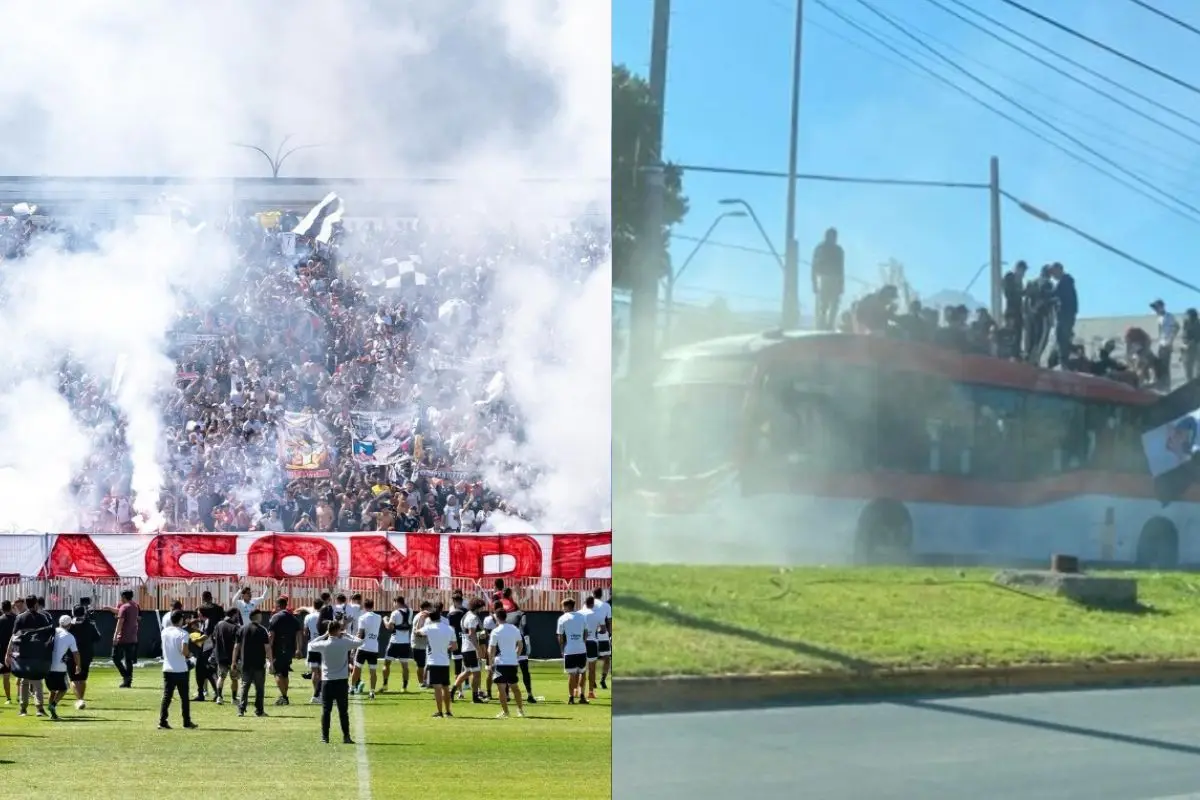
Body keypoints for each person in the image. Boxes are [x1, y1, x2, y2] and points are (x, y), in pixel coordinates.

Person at [306, 620, 362, 744]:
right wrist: (347, 634)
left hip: (327, 682)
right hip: (341, 682)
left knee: (326, 711)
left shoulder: (324, 644)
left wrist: (325, 635)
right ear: (338, 630)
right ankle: (346, 737)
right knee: (343, 711)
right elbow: (360, 642)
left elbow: (310, 644)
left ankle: (325, 737)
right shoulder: (344, 642)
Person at [414, 602, 456, 718]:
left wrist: (421, 618)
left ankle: (440, 712)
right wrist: (444, 648)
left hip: (433, 661)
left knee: (437, 688)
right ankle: (448, 711)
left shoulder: (429, 628)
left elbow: (416, 632)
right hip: (445, 662)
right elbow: (454, 647)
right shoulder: (449, 629)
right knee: (446, 687)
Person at [159, 610, 197, 730]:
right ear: (181, 620)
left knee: (167, 696)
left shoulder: (164, 632)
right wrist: (191, 656)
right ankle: (186, 721)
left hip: (167, 668)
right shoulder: (183, 633)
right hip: (180, 669)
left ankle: (162, 721)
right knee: (184, 697)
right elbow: (184, 651)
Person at [487, 608, 525, 719]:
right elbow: (520, 645)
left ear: (497, 617)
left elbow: (491, 649)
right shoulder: (514, 628)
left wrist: (490, 663)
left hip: (501, 663)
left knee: (501, 689)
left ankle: (506, 712)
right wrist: (515, 656)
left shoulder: (496, 631)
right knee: (515, 687)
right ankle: (520, 710)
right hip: (512, 663)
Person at [232, 607, 270, 717]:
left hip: (245, 663)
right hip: (258, 663)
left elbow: (236, 647)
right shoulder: (262, 630)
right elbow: (267, 648)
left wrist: (234, 661)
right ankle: (259, 710)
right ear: (258, 617)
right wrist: (270, 661)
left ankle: (241, 710)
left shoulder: (242, 629)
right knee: (259, 688)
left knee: (244, 686)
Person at [267, 596, 300, 706]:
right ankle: (284, 696)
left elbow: (271, 635)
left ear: (277, 606)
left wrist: (268, 649)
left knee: (277, 673)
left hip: (278, 649)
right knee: (285, 673)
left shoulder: (275, 617)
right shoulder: (293, 617)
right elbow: (298, 633)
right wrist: (298, 648)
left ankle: (284, 697)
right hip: (289, 649)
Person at [451, 598, 486, 704]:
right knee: (477, 673)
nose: (482, 609)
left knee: (467, 672)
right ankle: (475, 697)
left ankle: (451, 691)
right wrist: (478, 649)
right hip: (470, 649)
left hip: (466, 648)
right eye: (481, 607)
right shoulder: (472, 617)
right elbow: (471, 634)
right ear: (478, 607)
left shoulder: (466, 615)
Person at [556, 597, 590, 705]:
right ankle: (582, 696)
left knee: (571, 674)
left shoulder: (562, 618)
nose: (563, 609)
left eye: (563, 607)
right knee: (582, 673)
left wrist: (562, 649)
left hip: (569, 650)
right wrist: (583, 642)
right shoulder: (582, 617)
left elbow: (560, 637)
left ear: (567, 606)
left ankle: (571, 698)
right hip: (581, 649)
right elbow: (585, 632)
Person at [46, 615, 80, 721]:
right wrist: (78, 665)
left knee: (52, 691)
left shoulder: (51, 632)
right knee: (64, 689)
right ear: (69, 625)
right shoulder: (70, 636)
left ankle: (53, 714)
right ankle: (53, 706)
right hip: (60, 668)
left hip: (47, 667)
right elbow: (76, 653)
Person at [69, 597, 99, 709]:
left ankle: (79, 699)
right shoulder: (90, 624)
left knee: (74, 679)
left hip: (72, 654)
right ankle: (81, 699)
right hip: (87, 654)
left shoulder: (69, 626)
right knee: (82, 678)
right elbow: (97, 637)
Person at [812, 227, 845, 331]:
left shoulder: (838, 250)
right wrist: (814, 282)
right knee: (823, 304)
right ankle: (821, 324)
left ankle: (830, 324)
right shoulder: (820, 248)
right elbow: (814, 266)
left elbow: (841, 268)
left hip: (835, 278)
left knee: (834, 304)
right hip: (823, 278)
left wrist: (841, 284)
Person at [350, 598, 382, 698]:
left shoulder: (362, 618)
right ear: (373, 605)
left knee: (356, 669)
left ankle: (351, 688)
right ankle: (372, 691)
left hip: (363, 647)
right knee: (373, 671)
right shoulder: (379, 617)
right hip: (374, 648)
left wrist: (353, 647)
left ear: (364, 606)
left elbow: (360, 634)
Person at [382, 596, 413, 692]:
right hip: (405, 643)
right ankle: (404, 687)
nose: (393, 605)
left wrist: (385, 620)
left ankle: (385, 685)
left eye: (394, 603)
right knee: (405, 666)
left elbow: (389, 627)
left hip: (395, 642)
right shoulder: (410, 611)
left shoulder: (395, 613)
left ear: (396, 602)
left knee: (386, 664)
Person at [211, 607, 241, 705]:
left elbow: (213, 638)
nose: (237, 617)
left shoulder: (218, 624)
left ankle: (219, 697)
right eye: (236, 615)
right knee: (234, 678)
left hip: (220, 655)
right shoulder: (235, 627)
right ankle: (234, 698)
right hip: (232, 657)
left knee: (221, 676)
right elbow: (238, 643)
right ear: (233, 615)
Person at [111, 589, 140, 689]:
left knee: (115, 657)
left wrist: (115, 636)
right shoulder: (135, 606)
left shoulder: (124, 607)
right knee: (128, 660)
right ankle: (128, 681)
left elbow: (120, 623)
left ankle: (126, 677)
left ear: (123, 597)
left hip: (122, 637)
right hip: (132, 637)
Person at [1151, 299, 1179, 391]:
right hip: (1161, 343)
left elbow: (1176, 327)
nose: (1155, 310)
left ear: (1161, 307)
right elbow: (1160, 331)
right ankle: (1162, 385)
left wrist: (1170, 340)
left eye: (1157, 307)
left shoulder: (1169, 316)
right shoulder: (1158, 318)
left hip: (1167, 343)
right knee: (1160, 365)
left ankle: (1167, 386)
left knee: (1165, 365)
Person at [303, 598, 325, 703]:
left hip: (312, 646)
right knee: (323, 672)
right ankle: (320, 694)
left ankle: (315, 694)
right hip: (323, 647)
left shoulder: (308, 617)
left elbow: (305, 632)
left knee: (314, 672)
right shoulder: (325, 617)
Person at [581, 595, 603, 700]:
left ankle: (578, 690)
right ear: (593, 604)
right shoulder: (597, 615)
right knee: (592, 669)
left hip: (581, 642)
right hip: (592, 642)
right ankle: (590, 692)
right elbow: (602, 629)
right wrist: (595, 631)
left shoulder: (579, 613)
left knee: (581, 669)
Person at [593, 588, 612, 690]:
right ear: (602, 594)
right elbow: (609, 621)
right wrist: (610, 633)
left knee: (592, 659)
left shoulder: (588, 605)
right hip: (604, 636)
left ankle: (593, 680)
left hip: (592, 636)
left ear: (593, 594)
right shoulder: (606, 606)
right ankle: (603, 679)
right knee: (607, 658)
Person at [411, 600, 432, 689]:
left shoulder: (425, 617)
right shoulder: (420, 617)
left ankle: (426, 681)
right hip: (418, 645)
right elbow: (417, 632)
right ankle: (421, 683)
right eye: (430, 608)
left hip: (423, 645)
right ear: (426, 608)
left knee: (425, 665)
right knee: (421, 665)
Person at [0, 600, 14, 704]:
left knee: (6, 676)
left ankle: (8, 698)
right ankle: (20, 696)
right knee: (22, 677)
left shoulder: (0, 620)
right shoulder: (17, 618)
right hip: (16, 650)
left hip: (3, 651)